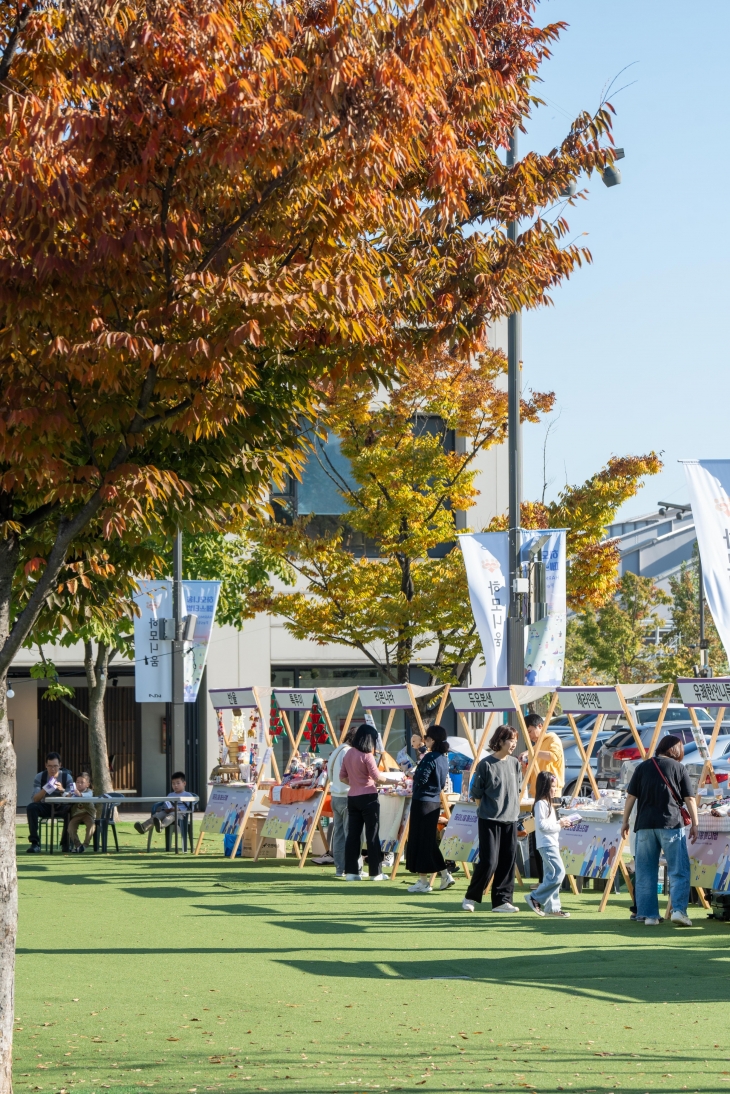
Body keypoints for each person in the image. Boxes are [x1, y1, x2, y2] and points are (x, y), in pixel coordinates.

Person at [621, 734, 698, 927]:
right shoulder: (679, 768)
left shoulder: (642, 767)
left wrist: (625, 822)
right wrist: (695, 824)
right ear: (676, 750)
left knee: (645, 871)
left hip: (645, 825)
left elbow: (630, 797)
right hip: (671, 824)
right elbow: (689, 799)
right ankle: (679, 910)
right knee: (678, 869)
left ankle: (649, 916)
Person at [462, 725, 522, 913]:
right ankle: (471, 897)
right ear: (501, 741)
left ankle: (502, 901)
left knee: (507, 861)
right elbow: (476, 793)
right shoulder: (485, 764)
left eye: (515, 740)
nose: (514, 744)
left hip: (511, 819)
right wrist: (485, 810)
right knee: (489, 861)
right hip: (489, 819)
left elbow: (517, 789)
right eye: (511, 740)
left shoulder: (515, 764)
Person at [340, 724, 396, 881]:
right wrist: (395, 781)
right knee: (372, 835)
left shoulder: (349, 753)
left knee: (353, 835)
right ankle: (375, 872)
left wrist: (356, 784)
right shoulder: (367, 756)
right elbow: (378, 777)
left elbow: (342, 777)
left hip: (353, 797)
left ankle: (351, 872)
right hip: (369, 798)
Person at [406, 725, 454, 894]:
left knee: (420, 841)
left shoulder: (429, 757)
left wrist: (412, 775)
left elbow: (422, 778)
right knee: (428, 841)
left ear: (432, 740)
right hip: (434, 802)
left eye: (426, 739)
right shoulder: (443, 758)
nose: (425, 741)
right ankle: (443, 874)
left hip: (422, 801)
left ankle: (424, 881)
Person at [519, 713, 564, 882]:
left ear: (540, 726)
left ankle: (549, 879)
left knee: (548, 837)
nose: (530, 736)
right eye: (527, 733)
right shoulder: (535, 746)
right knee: (536, 839)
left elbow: (553, 756)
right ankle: (541, 880)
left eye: (531, 731)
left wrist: (532, 752)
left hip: (552, 795)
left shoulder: (552, 738)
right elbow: (530, 773)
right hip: (535, 796)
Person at [524, 771, 572, 918]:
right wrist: (560, 824)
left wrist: (560, 824)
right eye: (552, 786)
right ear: (545, 787)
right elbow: (542, 825)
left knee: (551, 875)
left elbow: (547, 825)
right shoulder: (541, 804)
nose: (555, 790)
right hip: (546, 844)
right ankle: (535, 897)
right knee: (559, 873)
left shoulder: (548, 804)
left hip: (550, 843)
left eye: (556, 787)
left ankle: (553, 908)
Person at [319, 726, 358, 878]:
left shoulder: (337, 750)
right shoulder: (348, 752)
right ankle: (352, 868)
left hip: (335, 795)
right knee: (351, 834)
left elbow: (328, 772)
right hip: (347, 795)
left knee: (339, 834)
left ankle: (339, 868)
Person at [26, 752, 74, 853]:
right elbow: (35, 799)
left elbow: (72, 796)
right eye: (50, 766)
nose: (53, 769)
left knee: (71, 810)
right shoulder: (40, 777)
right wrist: (46, 789)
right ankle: (35, 843)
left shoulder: (67, 777)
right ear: (46, 765)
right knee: (31, 807)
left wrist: (62, 790)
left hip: (62, 806)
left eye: (55, 766)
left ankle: (66, 844)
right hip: (45, 806)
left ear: (60, 765)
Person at [134, 772, 190, 836]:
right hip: (168, 811)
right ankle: (143, 827)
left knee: (172, 815)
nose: (175, 785)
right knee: (157, 816)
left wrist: (178, 809)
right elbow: (166, 803)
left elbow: (190, 807)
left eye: (178, 783)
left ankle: (161, 826)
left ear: (184, 783)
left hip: (180, 815)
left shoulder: (187, 795)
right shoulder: (170, 795)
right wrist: (166, 808)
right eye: (173, 783)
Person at [66, 772, 96, 853]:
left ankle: (85, 844)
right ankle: (78, 846)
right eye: (77, 782)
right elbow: (66, 795)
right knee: (70, 828)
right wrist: (68, 795)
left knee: (91, 825)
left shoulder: (89, 791)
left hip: (88, 814)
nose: (79, 784)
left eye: (82, 782)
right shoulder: (73, 792)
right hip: (76, 814)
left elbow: (88, 796)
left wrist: (80, 794)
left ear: (87, 784)